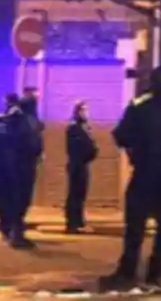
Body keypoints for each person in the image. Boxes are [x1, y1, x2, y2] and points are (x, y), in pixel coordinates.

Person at [100, 68, 161, 291]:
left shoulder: (138, 106)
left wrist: (137, 149)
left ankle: (127, 271)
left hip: (144, 171)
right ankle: (155, 273)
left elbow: (120, 136)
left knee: (135, 225)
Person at [0, 92, 38, 248]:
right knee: (13, 201)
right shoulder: (21, 122)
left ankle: (11, 231)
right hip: (14, 168)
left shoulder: (21, 121)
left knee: (11, 201)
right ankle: (12, 232)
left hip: (9, 167)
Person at [65, 100, 98, 233]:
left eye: (87, 110)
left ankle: (79, 221)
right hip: (77, 164)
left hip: (83, 164)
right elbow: (75, 148)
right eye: (83, 110)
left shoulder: (85, 127)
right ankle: (72, 223)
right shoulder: (74, 128)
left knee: (81, 194)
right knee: (75, 194)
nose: (86, 113)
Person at [15, 88, 44, 236]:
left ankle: (18, 224)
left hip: (28, 161)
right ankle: (16, 228)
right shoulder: (24, 120)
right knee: (22, 194)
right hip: (24, 162)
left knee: (24, 195)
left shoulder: (30, 120)